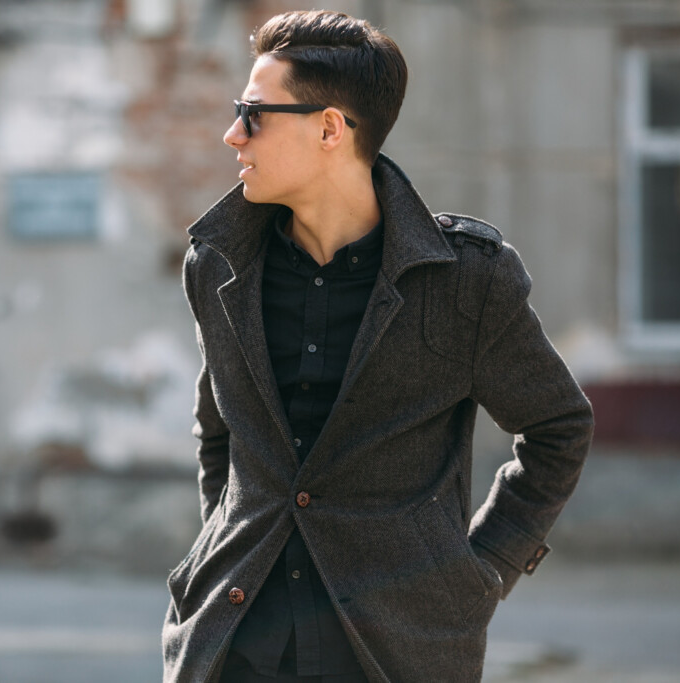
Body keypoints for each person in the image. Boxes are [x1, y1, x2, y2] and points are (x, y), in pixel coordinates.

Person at [162, 10, 594, 683]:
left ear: (331, 128)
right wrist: (226, 544)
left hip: (396, 652)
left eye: (254, 113)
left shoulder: (466, 279)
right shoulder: (218, 266)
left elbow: (558, 426)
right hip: (233, 647)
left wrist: (481, 571)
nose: (232, 134)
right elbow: (218, 431)